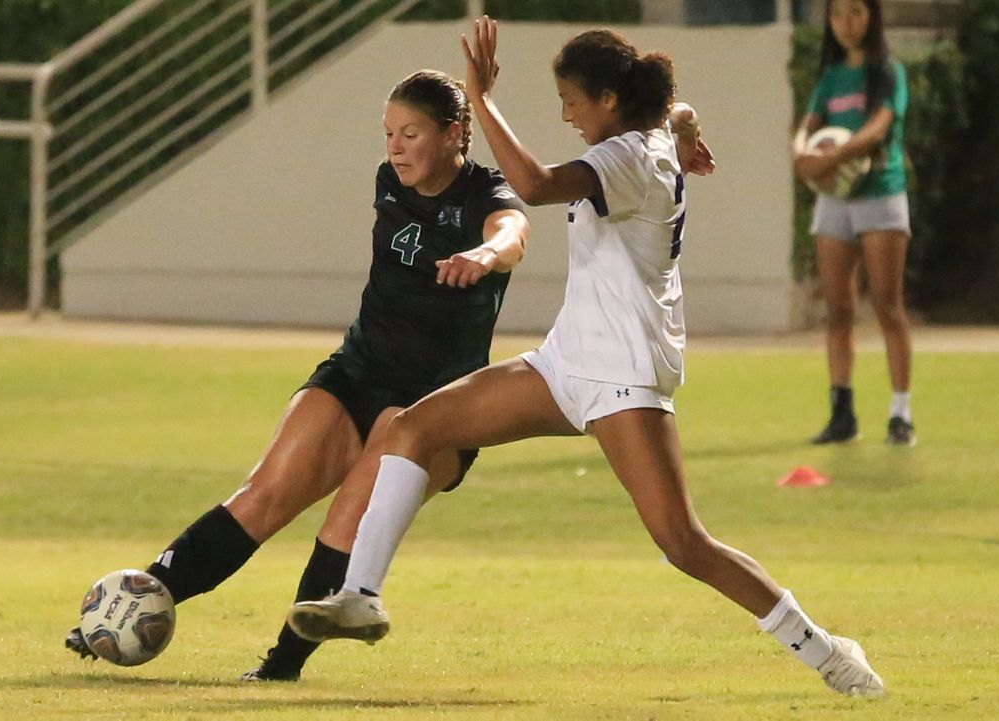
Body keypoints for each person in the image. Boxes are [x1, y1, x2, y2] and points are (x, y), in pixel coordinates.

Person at [288, 19, 885, 698]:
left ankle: (826, 649)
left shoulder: (627, 159)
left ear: (607, 99)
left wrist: (482, 99)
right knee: (413, 426)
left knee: (682, 542)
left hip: (622, 372)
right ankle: (360, 594)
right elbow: (673, 112)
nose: (566, 113)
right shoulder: (648, 133)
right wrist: (687, 126)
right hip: (568, 359)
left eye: (571, 100)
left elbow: (537, 186)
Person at [64, 69, 531, 682]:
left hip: (434, 404)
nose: (394, 147)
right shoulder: (390, 180)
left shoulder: (483, 196)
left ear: (452, 134)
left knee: (347, 517)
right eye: (388, 133)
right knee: (264, 495)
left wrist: (484, 254)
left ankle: (280, 667)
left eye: (410, 133)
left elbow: (514, 230)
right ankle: (129, 609)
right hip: (358, 371)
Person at [793, 0, 915, 446]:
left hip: (881, 194)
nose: (847, 23)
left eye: (856, 12)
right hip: (834, 200)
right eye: (838, 13)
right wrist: (800, 154)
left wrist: (827, 159)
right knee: (838, 309)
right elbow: (806, 128)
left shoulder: (888, 72)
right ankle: (841, 412)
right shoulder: (830, 78)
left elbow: (878, 129)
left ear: (872, 17)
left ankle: (900, 413)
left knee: (887, 304)